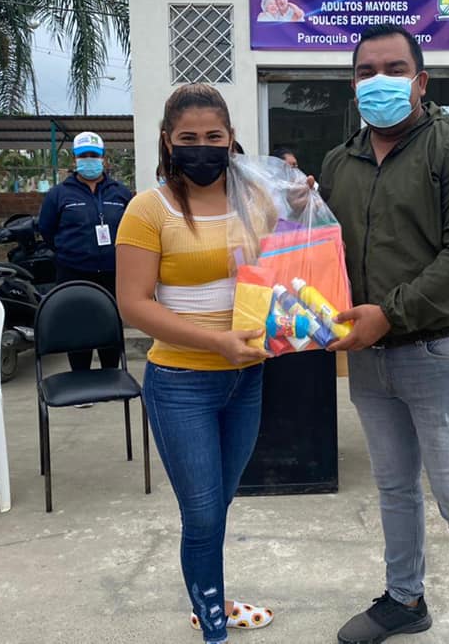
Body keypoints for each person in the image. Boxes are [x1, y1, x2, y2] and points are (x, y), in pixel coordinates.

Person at [320, 24, 449, 644]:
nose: (380, 80)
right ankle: (405, 599)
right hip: (370, 358)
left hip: (443, 352)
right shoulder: (338, 163)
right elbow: (324, 250)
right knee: (395, 488)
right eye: (366, 71)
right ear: (353, 86)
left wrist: (391, 314)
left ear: (420, 81)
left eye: (394, 69)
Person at [115, 84, 275, 644]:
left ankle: (212, 598)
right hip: (181, 384)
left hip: (247, 378)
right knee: (202, 515)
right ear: (168, 141)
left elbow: (282, 267)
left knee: (218, 505)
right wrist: (216, 343)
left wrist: (302, 209)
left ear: (231, 139)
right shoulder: (148, 210)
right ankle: (212, 628)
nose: (202, 147)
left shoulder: (258, 201)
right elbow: (134, 304)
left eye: (213, 136)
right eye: (189, 137)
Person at [38, 131, 132, 382]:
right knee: (77, 326)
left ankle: (111, 378)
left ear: (104, 159)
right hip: (73, 272)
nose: (89, 160)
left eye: (94, 155)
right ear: (75, 159)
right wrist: (72, 251)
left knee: (110, 323)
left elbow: (133, 229)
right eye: (83, 155)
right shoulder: (59, 194)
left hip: (113, 273)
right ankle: (80, 380)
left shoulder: (121, 193)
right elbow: (46, 229)